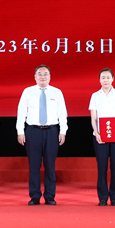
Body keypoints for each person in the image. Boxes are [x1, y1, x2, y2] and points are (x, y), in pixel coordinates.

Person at [16, 64, 68, 205]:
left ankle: (50, 196)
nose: (43, 77)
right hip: (33, 131)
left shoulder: (57, 92)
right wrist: (20, 131)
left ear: (50, 77)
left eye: (45, 74)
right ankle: (35, 196)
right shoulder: (28, 92)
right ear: (35, 77)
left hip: (51, 131)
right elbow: (21, 112)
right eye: (40, 74)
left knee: (50, 165)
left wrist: (63, 131)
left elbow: (62, 113)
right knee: (34, 165)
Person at [88, 68, 115, 206]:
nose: (106, 80)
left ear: (113, 79)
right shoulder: (95, 96)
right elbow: (93, 117)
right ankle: (103, 197)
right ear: (99, 80)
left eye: (108, 77)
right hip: (100, 136)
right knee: (102, 166)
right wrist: (96, 133)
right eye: (103, 78)